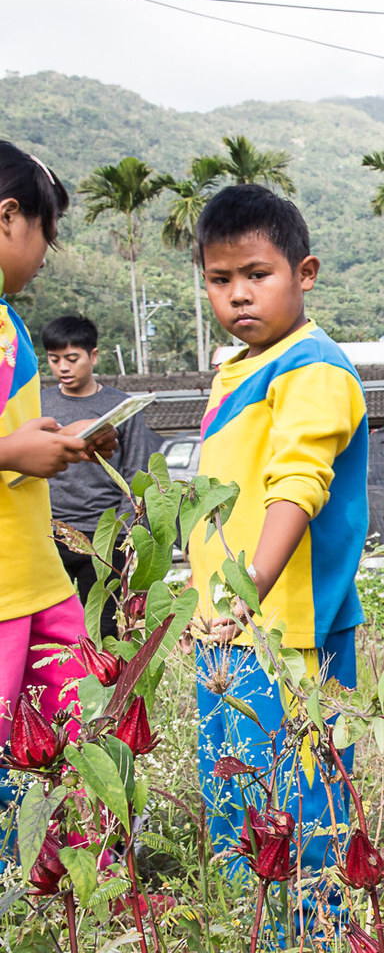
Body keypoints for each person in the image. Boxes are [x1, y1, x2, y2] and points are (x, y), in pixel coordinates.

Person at [186, 184, 368, 905]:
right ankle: (251, 922)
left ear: (305, 272)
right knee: (236, 788)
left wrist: (249, 585)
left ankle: (316, 922)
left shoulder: (311, 366)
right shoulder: (241, 366)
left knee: (300, 801)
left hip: (287, 626)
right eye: (219, 280)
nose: (237, 295)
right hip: (227, 624)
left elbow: (298, 483)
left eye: (256, 274)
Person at [0, 142, 111, 776]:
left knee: (68, 751)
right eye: (49, 231)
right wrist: (13, 450)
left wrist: (48, 439)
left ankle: (65, 876)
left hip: (38, 576)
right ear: (9, 216)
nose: (49, 251)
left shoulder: (10, 324)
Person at [41, 314, 159, 639]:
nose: (63, 367)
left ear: (93, 355)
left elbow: (136, 470)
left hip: (103, 535)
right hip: (51, 533)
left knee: (102, 625)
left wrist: (122, 533)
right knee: (52, 627)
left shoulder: (121, 407)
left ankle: (103, 689)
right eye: (55, 359)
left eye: (72, 358)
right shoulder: (40, 404)